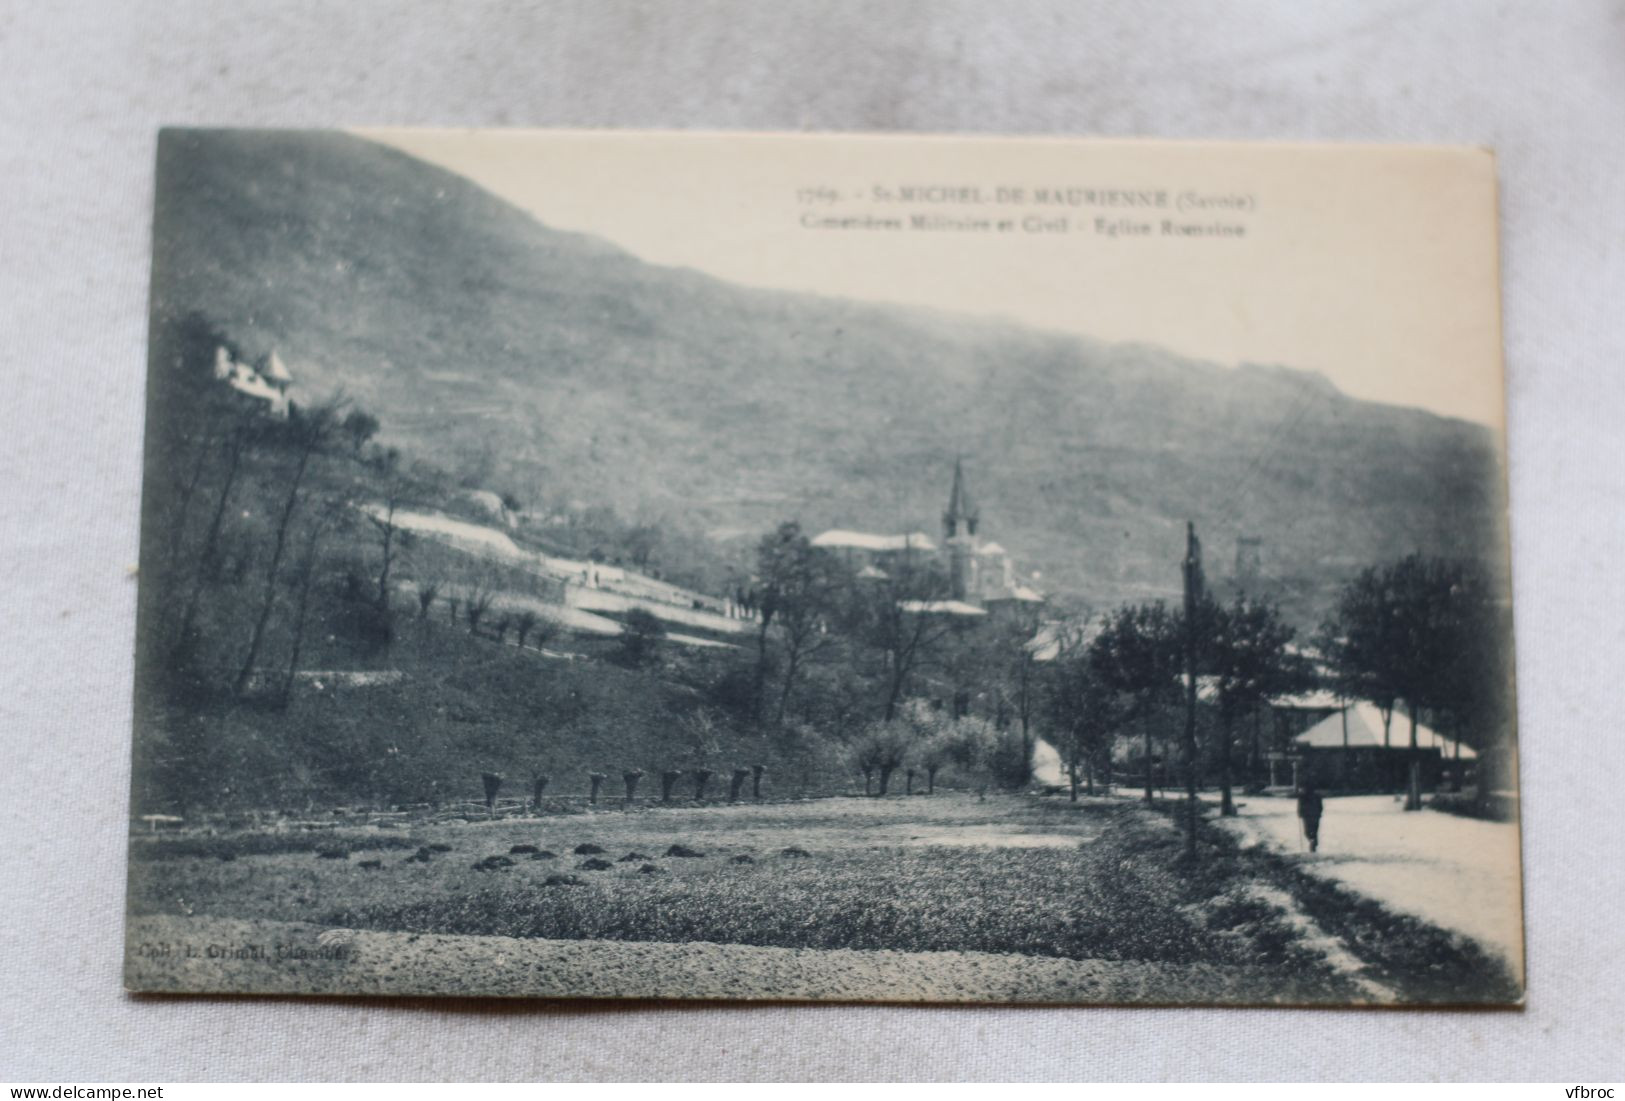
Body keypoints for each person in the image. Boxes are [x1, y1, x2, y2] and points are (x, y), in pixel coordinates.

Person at [1297, 782, 1325, 852]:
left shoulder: (1302, 797)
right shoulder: (1317, 796)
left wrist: (1299, 814)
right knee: (1314, 831)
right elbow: (1321, 807)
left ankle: (1312, 842)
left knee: (1307, 832)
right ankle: (1313, 843)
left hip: (1307, 816)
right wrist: (1319, 813)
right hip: (1316, 816)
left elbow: (1300, 807)